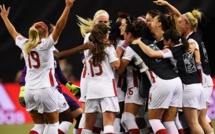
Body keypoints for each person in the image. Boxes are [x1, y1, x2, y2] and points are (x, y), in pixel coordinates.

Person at [0, 0, 74, 133]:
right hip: (45, 88)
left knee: (39, 126)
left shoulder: (25, 44)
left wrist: (5, 17)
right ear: (46, 32)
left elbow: (13, 32)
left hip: (29, 90)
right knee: (53, 124)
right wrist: (68, 7)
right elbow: (59, 27)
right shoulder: (46, 45)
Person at [120, 18, 183, 134]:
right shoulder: (150, 43)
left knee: (154, 120)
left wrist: (119, 49)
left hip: (161, 82)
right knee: (169, 122)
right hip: (176, 81)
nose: (123, 34)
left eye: (124, 32)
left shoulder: (131, 48)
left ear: (129, 34)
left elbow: (119, 70)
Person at [178, 9, 214, 134]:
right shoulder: (196, 35)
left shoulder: (191, 40)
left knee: (199, 119)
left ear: (187, 24)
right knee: (200, 119)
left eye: (180, 23)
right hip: (206, 78)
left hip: (202, 78)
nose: (178, 25)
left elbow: (198, 61)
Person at [82, 23, 120, 134]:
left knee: (88, 125)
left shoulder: (88, 49)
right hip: (106, 88)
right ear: (105, 35)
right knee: (108, 123)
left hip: (92, 89)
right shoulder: (108, 47)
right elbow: (116, 65)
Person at [77, 9, 111, 134]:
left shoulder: (110, 34)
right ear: (94, 22)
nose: (103, 23)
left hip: (104, 79)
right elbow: (87, 58)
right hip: (89, 77)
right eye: (100, 21)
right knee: (88, 113)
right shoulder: (89, 36)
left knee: (100, 116)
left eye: (105, 21)